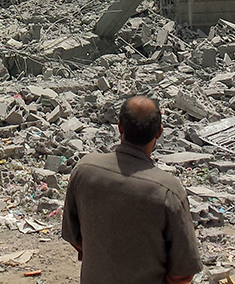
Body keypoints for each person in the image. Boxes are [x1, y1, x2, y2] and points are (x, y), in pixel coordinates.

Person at [62, 95, 202, 284]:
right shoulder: (167, 191)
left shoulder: (85, 170)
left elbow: (74, 236)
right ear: (159, 132)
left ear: (119, 127)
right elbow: (183, 272)